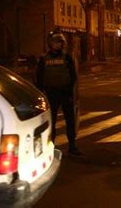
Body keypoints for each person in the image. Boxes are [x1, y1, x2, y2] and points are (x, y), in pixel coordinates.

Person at [36, 28, 83, 156]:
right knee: (52, 121)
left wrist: (69, 91)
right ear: (50, 44)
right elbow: (39, 78)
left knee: (70, 121)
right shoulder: (44, 59)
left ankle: (72, 145)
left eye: (60, 42)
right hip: (51, 94)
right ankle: (51, 146)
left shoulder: (67, 58)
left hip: (65, 93)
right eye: (56, 42)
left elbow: (73, 76)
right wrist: (42, 93)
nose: (58, 44)